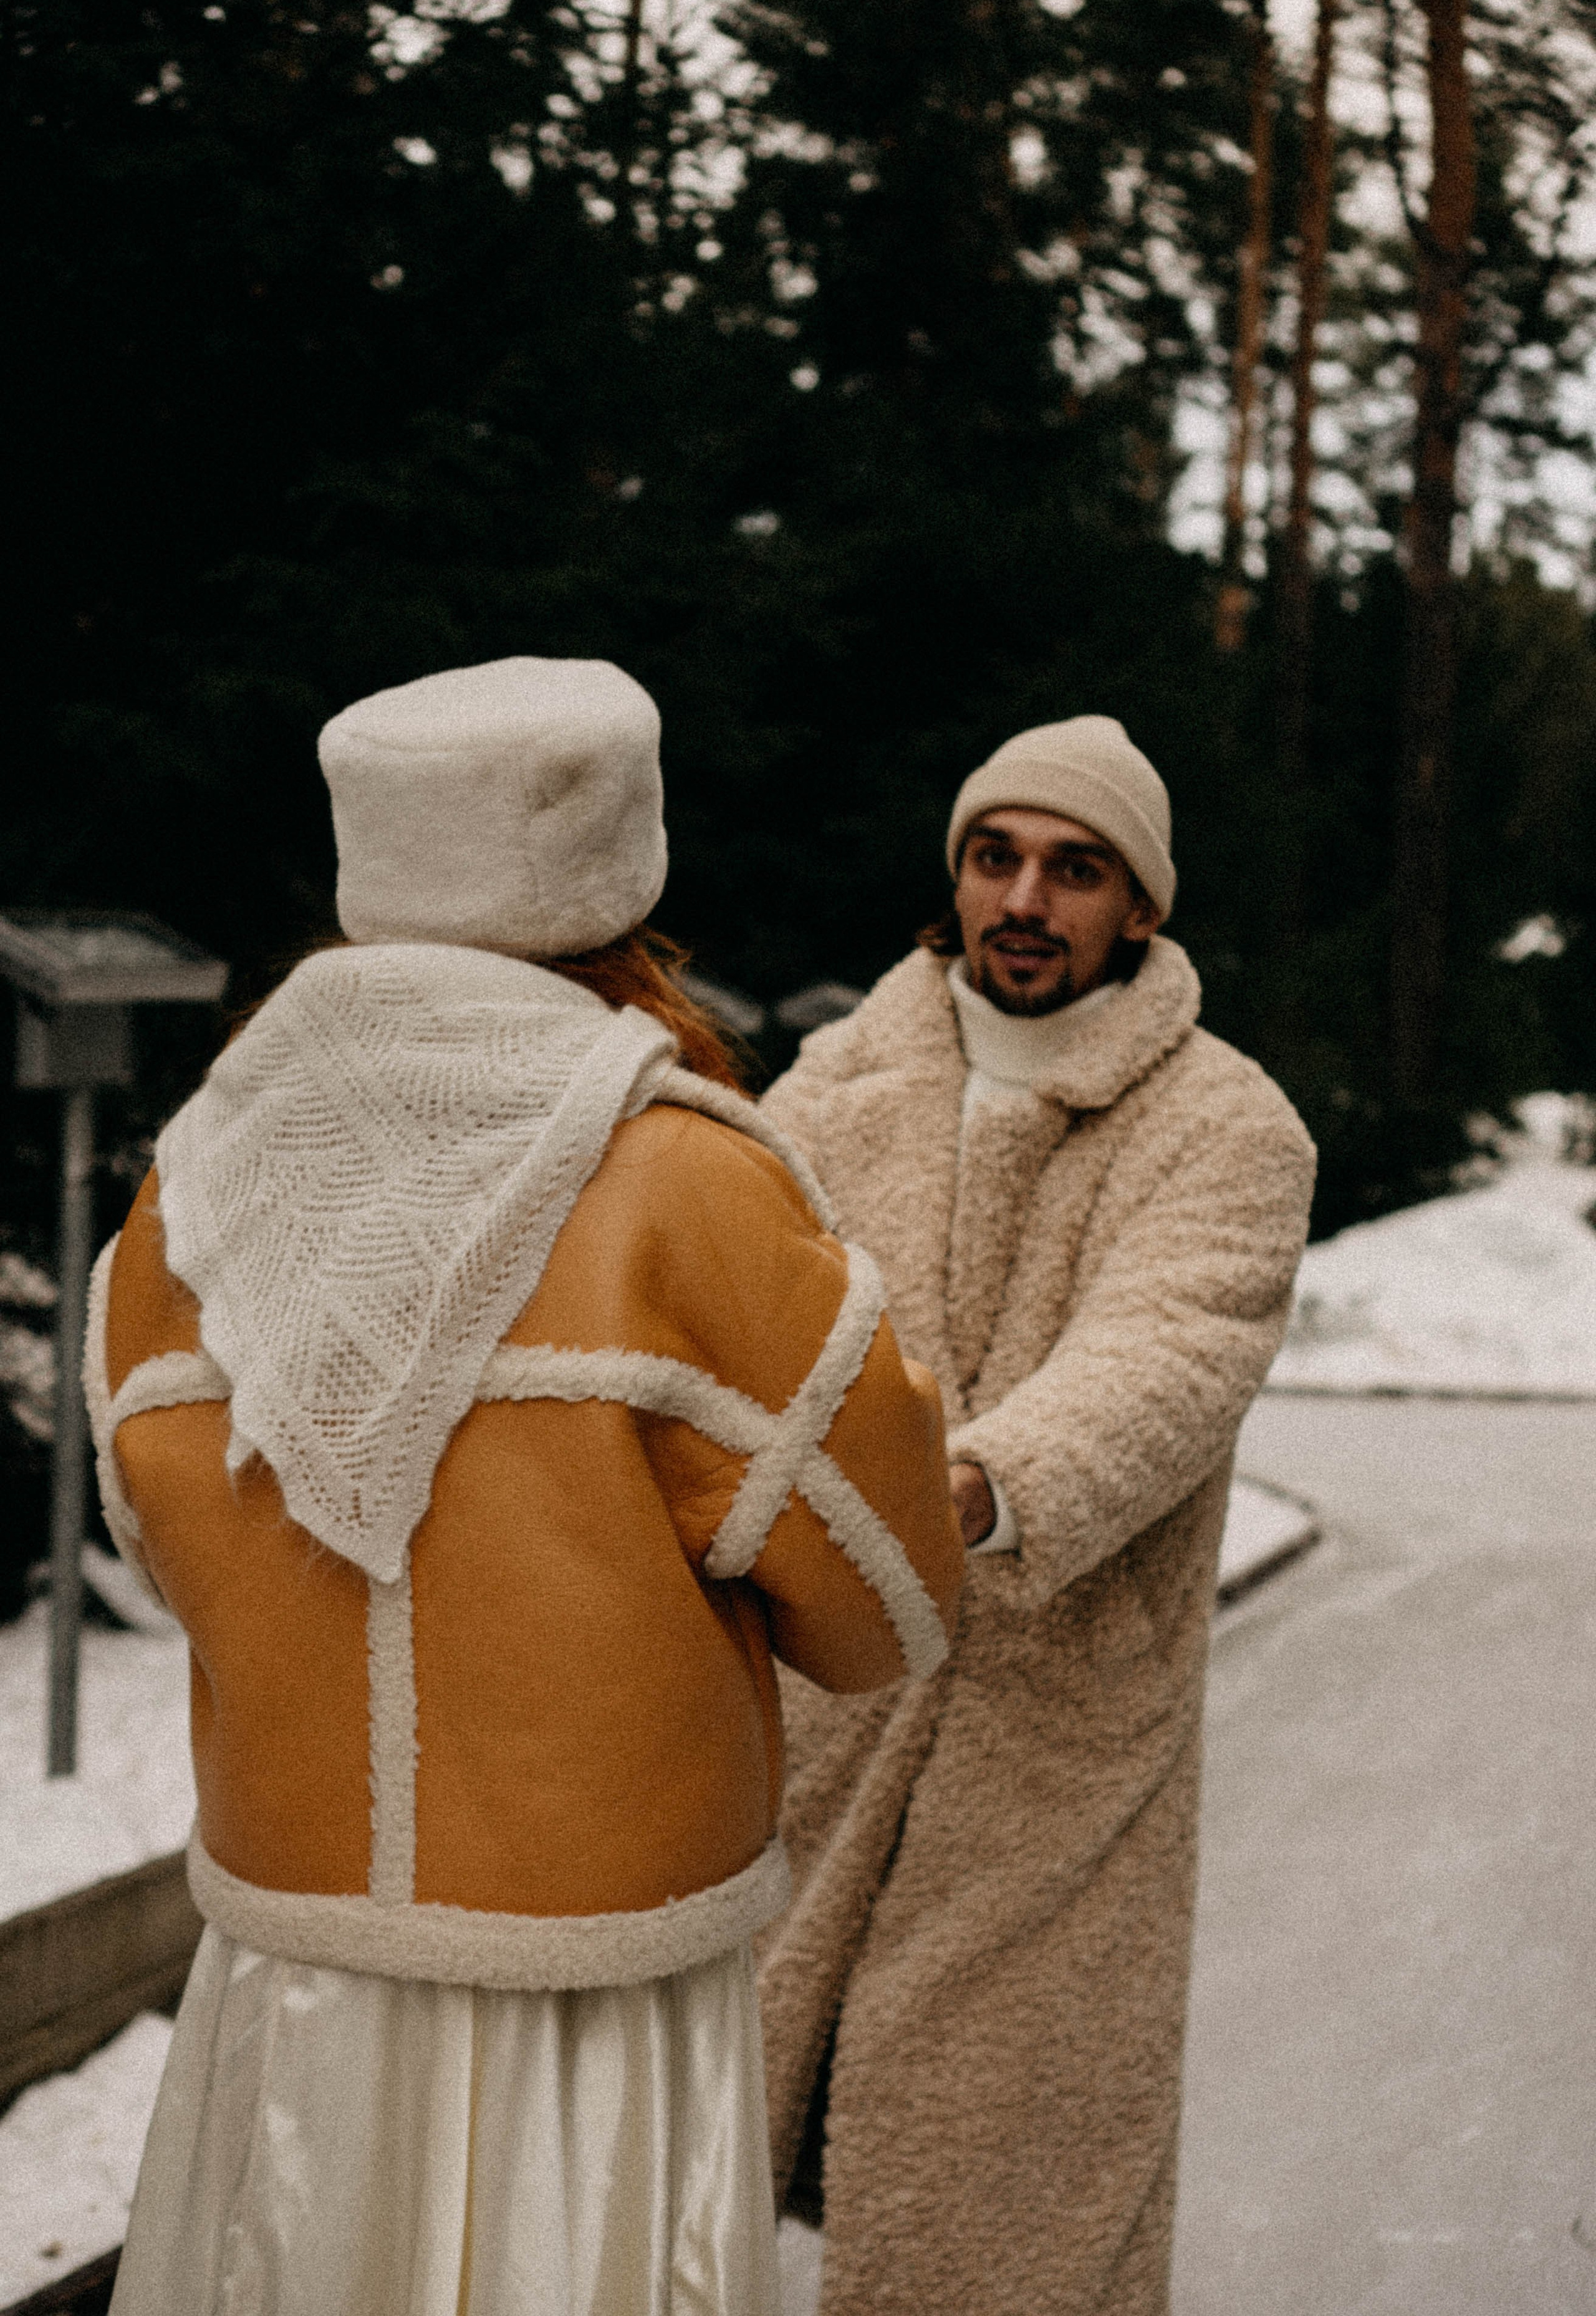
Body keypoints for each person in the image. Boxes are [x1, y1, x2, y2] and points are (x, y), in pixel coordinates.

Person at [85, 655, 963, 2316]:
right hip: (593, 2011)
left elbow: (162, 1536)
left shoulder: (185, 1200)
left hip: (295, 1978)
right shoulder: (693, 1179)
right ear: (619, 872)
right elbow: (888, 1609)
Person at [757, 713, 1316, 2315]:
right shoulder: (827, 1092)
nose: (1025, 898)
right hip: (818, 1714)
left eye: (1074, 872)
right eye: (994, 858)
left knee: (1003, 2224)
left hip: (1053, 1751)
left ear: (1137, 907)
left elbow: (1172, 1350)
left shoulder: (1226, 1126)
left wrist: (980, 1485)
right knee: (699, 2187)